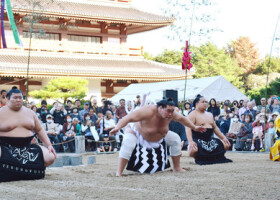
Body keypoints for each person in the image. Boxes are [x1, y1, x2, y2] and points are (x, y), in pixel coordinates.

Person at [110, 98, 206, 176]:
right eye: (168, 111)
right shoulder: (146, 111)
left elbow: (182, 119)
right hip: (137, 132)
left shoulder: (171, 113)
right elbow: (126, 119)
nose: (171, 114)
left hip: (157, 135)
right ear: (160, 108)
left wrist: (194, 127)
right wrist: (117, 127)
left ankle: (177, 168)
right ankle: (119, 172)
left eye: (172, 111)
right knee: (128, 141)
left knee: (175, 139)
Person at [0, 89, 56, 182]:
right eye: (15, 98)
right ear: (7, 99)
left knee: (50, 157)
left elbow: (39, 130)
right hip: (5, 146)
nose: (18, 100)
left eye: (20, 98)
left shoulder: (30, 113)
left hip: (27, 146)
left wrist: (49, 145)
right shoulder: (1, 112)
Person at [186, 95, 231, 165]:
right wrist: (191, 141)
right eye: (203, 102)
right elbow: (188, 128)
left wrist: (223, 138)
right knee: (193, 150)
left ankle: (214, 157)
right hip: (198, 139)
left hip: (210, 140)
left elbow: (215, 128)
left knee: (226, 144)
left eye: (206, 102)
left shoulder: (209, 114)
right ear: (196, 104)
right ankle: (198, 156)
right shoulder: (192, 114)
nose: (205, 103)